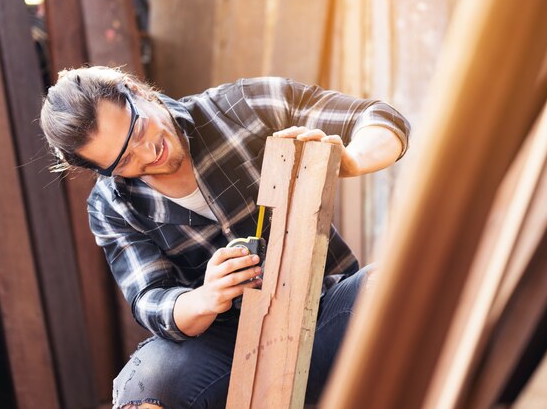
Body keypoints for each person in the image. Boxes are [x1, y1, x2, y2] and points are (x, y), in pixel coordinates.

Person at [40, 66, 410, 409]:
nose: (148, 153)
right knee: (145, 389)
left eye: (138, 131)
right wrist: (206, 298)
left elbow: (382, 119)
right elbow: (150, 300)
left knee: (397, 287)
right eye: (123, 161)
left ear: (138, 92)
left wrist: (347, 160)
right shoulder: (111, 206)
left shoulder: (243, 107)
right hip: (223, 349)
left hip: (325, 310)